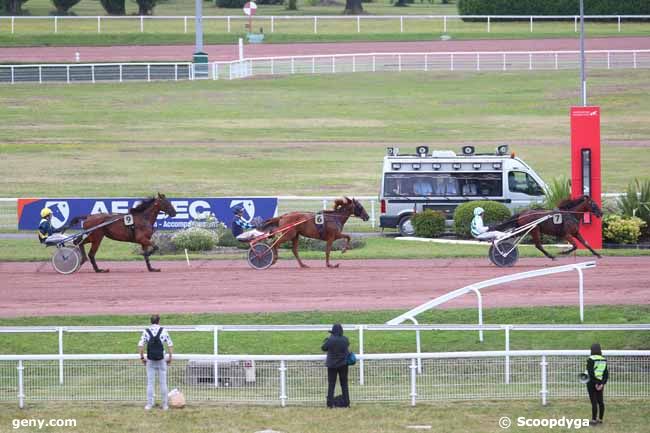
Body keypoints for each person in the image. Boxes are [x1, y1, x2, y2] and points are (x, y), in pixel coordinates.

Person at [138, 314, 174, 411]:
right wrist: (170, 357)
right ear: (159, 321)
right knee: (163, 383)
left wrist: (142, 357)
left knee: (150, 383)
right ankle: (165, 405)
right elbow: (170, 345)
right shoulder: (164, 330)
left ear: (151, 321)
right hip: (161, 359)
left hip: (150, 360)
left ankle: (149, 404)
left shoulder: (146, 331)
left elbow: (140, 346)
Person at [321, 323, 350, 408]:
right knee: (344, 384)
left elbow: (323, 348)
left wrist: (328, 339)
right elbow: (346, 346)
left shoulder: (331, 339)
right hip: (343, 365)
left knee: (331, 384)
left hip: (332, 365)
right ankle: (346, 402)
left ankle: (330, 404)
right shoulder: (345, 339)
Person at [586, 343, 608, 425]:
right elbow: (606, 373)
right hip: (600, 382)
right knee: (600, 401)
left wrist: (595, 383)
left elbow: (590, 373)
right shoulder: (603, 359)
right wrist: (602, 383)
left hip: (591, 382)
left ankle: (594, 420)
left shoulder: (590, 359)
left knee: (594, 402)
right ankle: (600, 419)